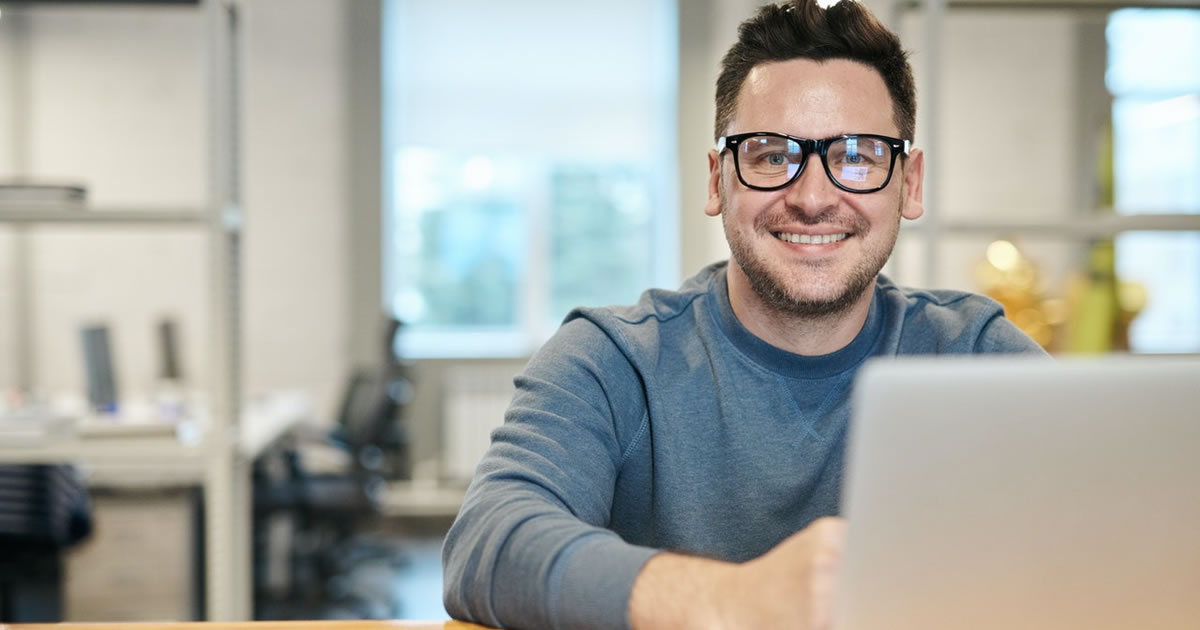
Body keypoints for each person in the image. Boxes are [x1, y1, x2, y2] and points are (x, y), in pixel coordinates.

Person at [442, 1, 1045, 629]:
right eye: (769, 155)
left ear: (911, 183)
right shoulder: (613, 360)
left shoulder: (974, 354)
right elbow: (489, 543)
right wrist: (730, 600)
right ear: (716, 179)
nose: (813, 198)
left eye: (859, 156)